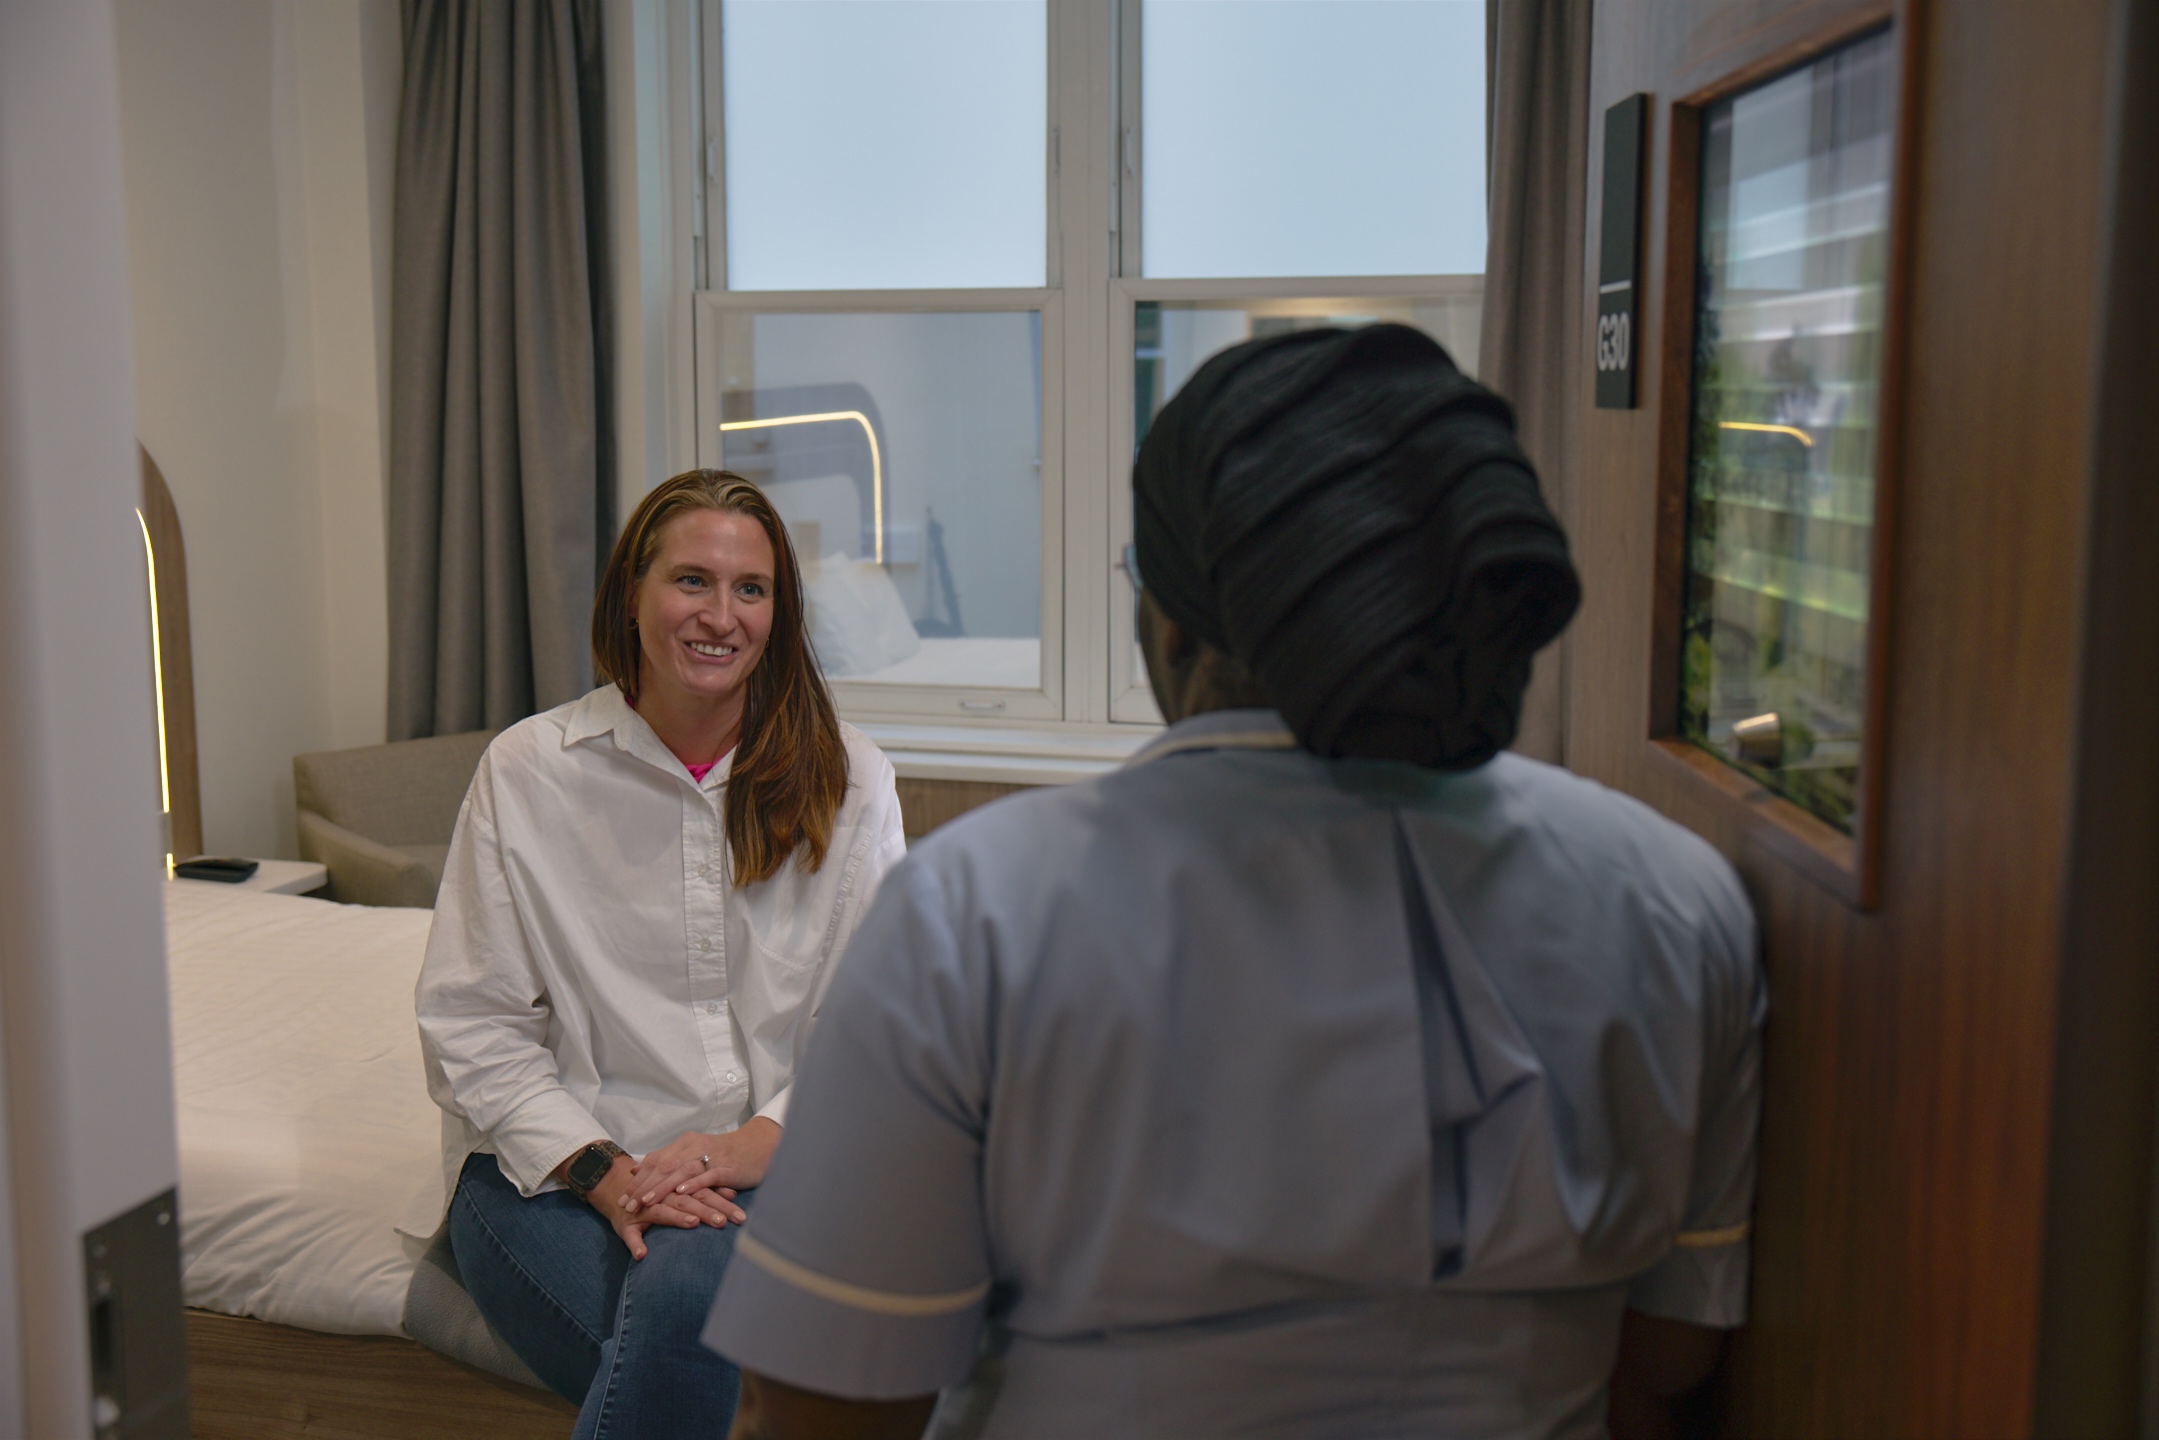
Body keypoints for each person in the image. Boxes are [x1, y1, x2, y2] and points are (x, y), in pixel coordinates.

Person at [701, 325, 1765, 1440]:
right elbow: (1670, 1355)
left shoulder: (979, 912)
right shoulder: (1672, 899)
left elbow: (824, 1407)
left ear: (1169, 627)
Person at [416, 470, 907, 1439]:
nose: (720, 616)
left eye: (750, 589)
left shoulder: (850, 780)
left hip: (782, 1156)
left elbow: (885, 1027)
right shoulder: (529, 771)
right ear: (631, 594)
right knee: (711, 1328)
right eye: (691, 581)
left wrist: (746, 1148)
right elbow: (471, 1025)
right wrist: (607, 1172)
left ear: (778, 613)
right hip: (552, 1171)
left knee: (689, 1295)